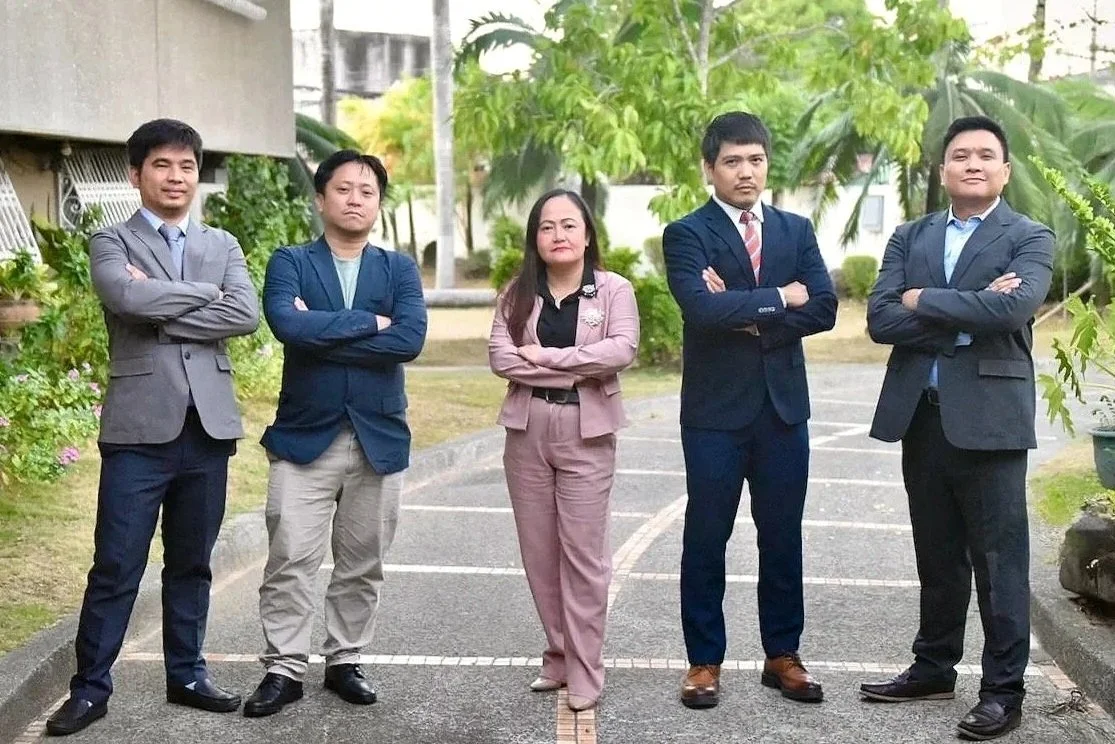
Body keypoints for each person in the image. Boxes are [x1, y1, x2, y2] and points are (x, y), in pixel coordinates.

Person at [46, 119, 260, 736]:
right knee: (116, 563)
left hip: (208, 430)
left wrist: (164, 303)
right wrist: (201, 298)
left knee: (192, 564)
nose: (176, 177)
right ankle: (90, 690)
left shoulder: (223, 244)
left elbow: (243, 314)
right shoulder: (110, 241)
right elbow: (126, 300)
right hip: (138, 431)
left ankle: (187, 676)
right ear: (136, 174)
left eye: (187, 166)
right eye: (162, 166)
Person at [861, 115, 1054, 741]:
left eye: (985, 155)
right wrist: (969, 308)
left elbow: (1014, 307)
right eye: (960, 155)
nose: (972, 164)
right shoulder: (909, 235)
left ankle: (1003, 692)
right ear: (942, 169)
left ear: (1005, 169)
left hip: (992, 424)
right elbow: (882, 319)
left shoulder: (1029, 235)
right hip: (923, 417)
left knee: (1000, 562)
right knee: (937, 554)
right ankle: (933, 666)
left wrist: (925, 298)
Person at [662, 111, 837, 709]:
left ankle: (782, 656)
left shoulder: (795, 229)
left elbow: (825, 308)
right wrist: (778, 299)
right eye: (733, 161)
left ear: (768, 164)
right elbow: (698, 310)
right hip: (714, 414)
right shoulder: (687, 233)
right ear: (710, 168)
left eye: (756, 160)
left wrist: (744, 312)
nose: (746, 171)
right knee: (706, 537)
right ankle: (703, 662)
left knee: (782, 536)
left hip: (784, 411)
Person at [243, 150, 427, 718]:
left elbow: (409, 341)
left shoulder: (398, 269)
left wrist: (323, 331)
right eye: (343, 189)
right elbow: (287, 325)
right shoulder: (291, 261)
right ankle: (284, 668)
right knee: (290, 555)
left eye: (366, 191)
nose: (355, 199)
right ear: (321, 198)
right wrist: (371, 323)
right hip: (304, 438)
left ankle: (345, 659)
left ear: (378, 203)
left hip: (378, 437)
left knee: (362, 560)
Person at [488, 188, 639, 712]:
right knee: (538, 554)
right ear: (535, 236)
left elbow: (620, 351)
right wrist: (576, 364)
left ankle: (585, 668)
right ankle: (557, 655)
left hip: (586, 432)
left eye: (569, 225)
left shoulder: (614, 289)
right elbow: (502, 359)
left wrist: (548, 357)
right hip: (527, 431)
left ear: (587, 233)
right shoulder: (517, 293)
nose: (559, 235)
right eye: (547, 226)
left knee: (583, 556)